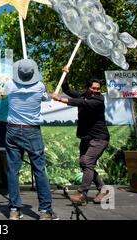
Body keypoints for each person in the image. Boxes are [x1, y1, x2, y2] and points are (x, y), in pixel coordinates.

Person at [5, 59, 58, 220]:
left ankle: (14, 209)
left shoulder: (10, 86)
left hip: (13, 130)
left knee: (13, 171)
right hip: (32, 131)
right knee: (39, 170)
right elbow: (45, 99)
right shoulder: (40, 86)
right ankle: (45, 211)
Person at [51, 66, 110, 206]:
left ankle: (82, 193)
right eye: (94, 88)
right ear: (88, 88)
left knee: (87, 162)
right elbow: (67, 90)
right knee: (85, 165)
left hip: (99, 138)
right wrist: (65, 74)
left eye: (98, 88)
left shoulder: (98, 100)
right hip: (86, 138)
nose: (96, 90)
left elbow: (80, 103)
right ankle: (103, 190)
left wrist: (59, 99)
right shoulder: (84, 95)